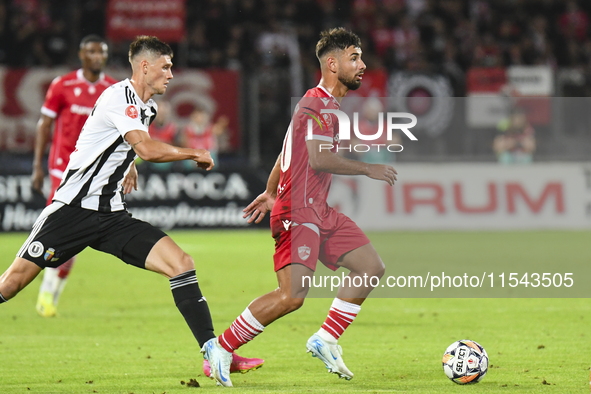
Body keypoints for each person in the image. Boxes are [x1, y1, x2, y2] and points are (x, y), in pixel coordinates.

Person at [0, 35, 258, 387]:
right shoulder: (118, 96)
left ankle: (213, 352)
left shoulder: (145, 106)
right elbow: (148, 148)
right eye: (165, 67)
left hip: (111, 216)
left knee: (181, 264)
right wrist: (193, 153)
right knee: (12, 284)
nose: (171, 74)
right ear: (145, 66)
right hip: (71, 211)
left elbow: (124, 144)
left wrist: (128, 163)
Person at [207, 28, 397, 387]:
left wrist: (268, 190)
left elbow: (285, 153)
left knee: (370, 267)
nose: (362, 65)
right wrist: (368, 168)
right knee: (291, 296)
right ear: (332, 63)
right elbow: (319, 160)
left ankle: (325, 339)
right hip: (297, 212)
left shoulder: (323, 106)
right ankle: (221, 347)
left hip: (318, 210)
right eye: (354, 58)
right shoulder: (316, 105)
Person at [31, 35, 118, 318]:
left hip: (96, 173)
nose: (97, 57)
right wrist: (37, 166)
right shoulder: (63, 85)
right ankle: (45, 291)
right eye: (91, 52)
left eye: (101, 52)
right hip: (62, 169)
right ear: (81, 54)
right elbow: (44, 124)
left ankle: (51, 293)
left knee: (77, 234)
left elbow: (123, 134)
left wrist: (128, 167)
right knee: (56, 228)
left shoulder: (112, 90)